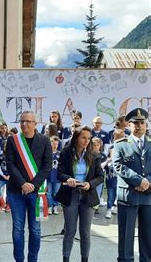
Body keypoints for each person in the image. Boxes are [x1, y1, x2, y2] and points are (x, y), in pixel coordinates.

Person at [6, 111, 52, 262]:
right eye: (22, 121)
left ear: (35, 124)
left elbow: (47, 166)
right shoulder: (13, 140)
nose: (24, 124)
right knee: (18, 229)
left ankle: (33, 259)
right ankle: (19, 259)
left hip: (36, 192)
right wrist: (22, 183)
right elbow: (10, 165)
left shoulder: (45, 141)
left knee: (35, 230)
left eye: (28, 121)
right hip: (16, 191)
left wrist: (32, 185)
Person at [55, 126, 104, 262]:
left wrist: (90, 184)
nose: (86, 141)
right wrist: (68, 179)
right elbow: (59, 173)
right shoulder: (65, 153)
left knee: (85, 233)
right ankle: (66, 258)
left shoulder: (94, 155)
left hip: (88, 195)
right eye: (83, 137)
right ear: (76, 138)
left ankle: (84, 259)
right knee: (70, 231)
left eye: (89, 138)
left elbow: (100, 176)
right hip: (70, 195)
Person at [113, 108, 151, 261]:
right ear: (129, 125)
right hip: (128, 196)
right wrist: (138, 180)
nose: (139, 126)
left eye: (142, 122)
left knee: (148, 236)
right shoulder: (121, 144)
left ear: (146, 124)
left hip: (148, 196)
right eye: (135, 123)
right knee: (126, 235)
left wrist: (147, 182)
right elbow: (117, 165)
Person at [104, 129, 126, 219]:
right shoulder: (111, 147)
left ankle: (115, 207)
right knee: (110, 195)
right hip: (110, 179)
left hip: (120, 180)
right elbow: (103, 166)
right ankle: (109, 209)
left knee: (119, 196)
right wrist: (108, 161)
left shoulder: (125, 148)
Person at [47, 136, 61, 215]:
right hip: (49, 177)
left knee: (56, 192)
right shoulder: (47, 153)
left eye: (56, 144)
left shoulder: (60, 154)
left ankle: (55, 206)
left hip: (57, 178)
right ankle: (49, 206)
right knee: (49, 192)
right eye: (53, 143)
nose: (54, 145)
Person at [0, 141, 10, 212]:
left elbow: (15, 167)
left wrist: (10, 175)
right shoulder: (0, 156)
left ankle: (8, 205)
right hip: (2, 177)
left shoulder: (13, 156)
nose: (6, 148)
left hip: (11, 178)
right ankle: (2, 204)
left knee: (9, 191)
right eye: (5, 146)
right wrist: (3, 175)